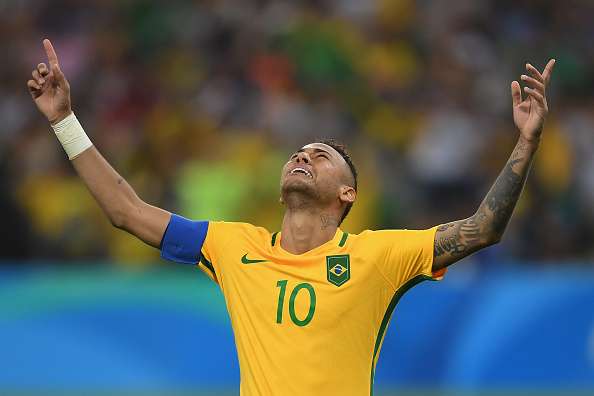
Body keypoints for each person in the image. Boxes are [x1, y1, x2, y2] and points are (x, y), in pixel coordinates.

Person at [27, 39, 555, 395]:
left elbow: (483, 228)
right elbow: (126, 211)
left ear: (346, 194)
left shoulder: (378, 254)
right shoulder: (232, 246)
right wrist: (65, 121)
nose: (303, 156)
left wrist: (526, 144)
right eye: (298, 152)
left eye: (320, 156)